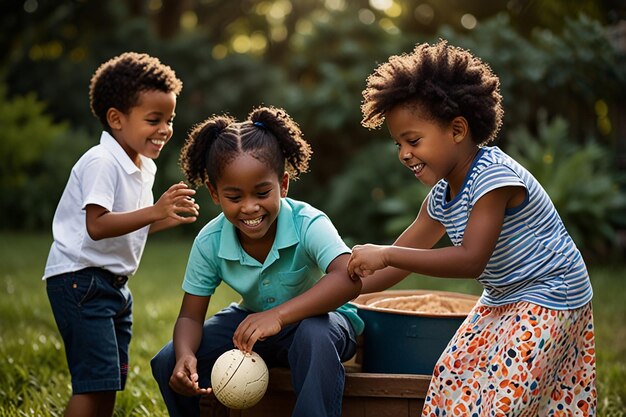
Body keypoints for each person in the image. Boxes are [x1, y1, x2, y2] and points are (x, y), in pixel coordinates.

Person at [347, 40, 596, 416]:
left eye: (413, 140)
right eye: (398, 143)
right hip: (503, 296)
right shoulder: (442, 196)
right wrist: (344, 294)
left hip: (550, 293)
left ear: (458, 130)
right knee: (452, 374)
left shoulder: (494, 178)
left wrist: (384, 253)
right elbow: (398, 266)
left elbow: (470, 260)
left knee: (508, 391)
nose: (403, 153)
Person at [150, 106, 363, 417]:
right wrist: (185, 355)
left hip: (319, 322)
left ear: (284, 185)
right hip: (251, 325)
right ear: (214, 193)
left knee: (313, 336)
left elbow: (347, 278)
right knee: (167, 359)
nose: (250, 207)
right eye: (234, 197)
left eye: (262, 192)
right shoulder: (210, 241)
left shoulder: (307, 222)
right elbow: (190, 318)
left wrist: (277, 315)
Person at [43, 52, 199, 417]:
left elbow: (131, 223)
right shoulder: (102, 161)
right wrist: (155, 210)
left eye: (170, 119)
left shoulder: (142, 165)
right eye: (153, 119)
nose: (165, 129)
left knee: (109, 382)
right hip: (80, 281)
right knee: (92, 383)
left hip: (113, 286)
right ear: (116, 118)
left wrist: (164, 218)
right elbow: (97, 225)